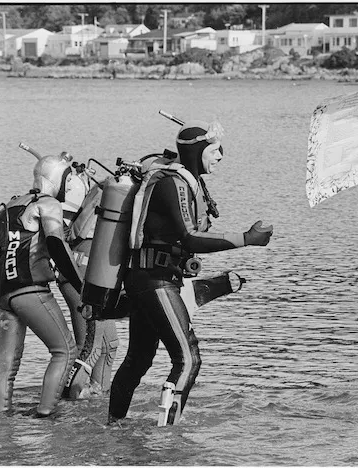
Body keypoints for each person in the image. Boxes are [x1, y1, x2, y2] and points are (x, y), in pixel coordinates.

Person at [107, 118, 273, 426]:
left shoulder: (184, 181)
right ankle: (168, 434)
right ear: (198, 152)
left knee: (138, 360)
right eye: (214, 151)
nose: (220, 156)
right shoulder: (173, 183)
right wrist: (245, 239)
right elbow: (189, 238)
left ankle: (112, 428)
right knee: (188, 359)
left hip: (148, 278)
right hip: (154, 281)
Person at [0, 154, 84, 417]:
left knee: (6, 364)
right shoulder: (48, 204)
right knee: (64, 350)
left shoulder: (7, 207)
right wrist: (81, 287)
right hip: (32, 293)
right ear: (59, 179)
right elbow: (56, 245)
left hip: (3, 299)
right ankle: (44, 415)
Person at [57, 161, 119, 399]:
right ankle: (67, 402)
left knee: (109, 344)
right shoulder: (113, 198)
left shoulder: (107, 194)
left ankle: (96, 399)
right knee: (89, 347)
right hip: (80, 274)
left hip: (87, 273)